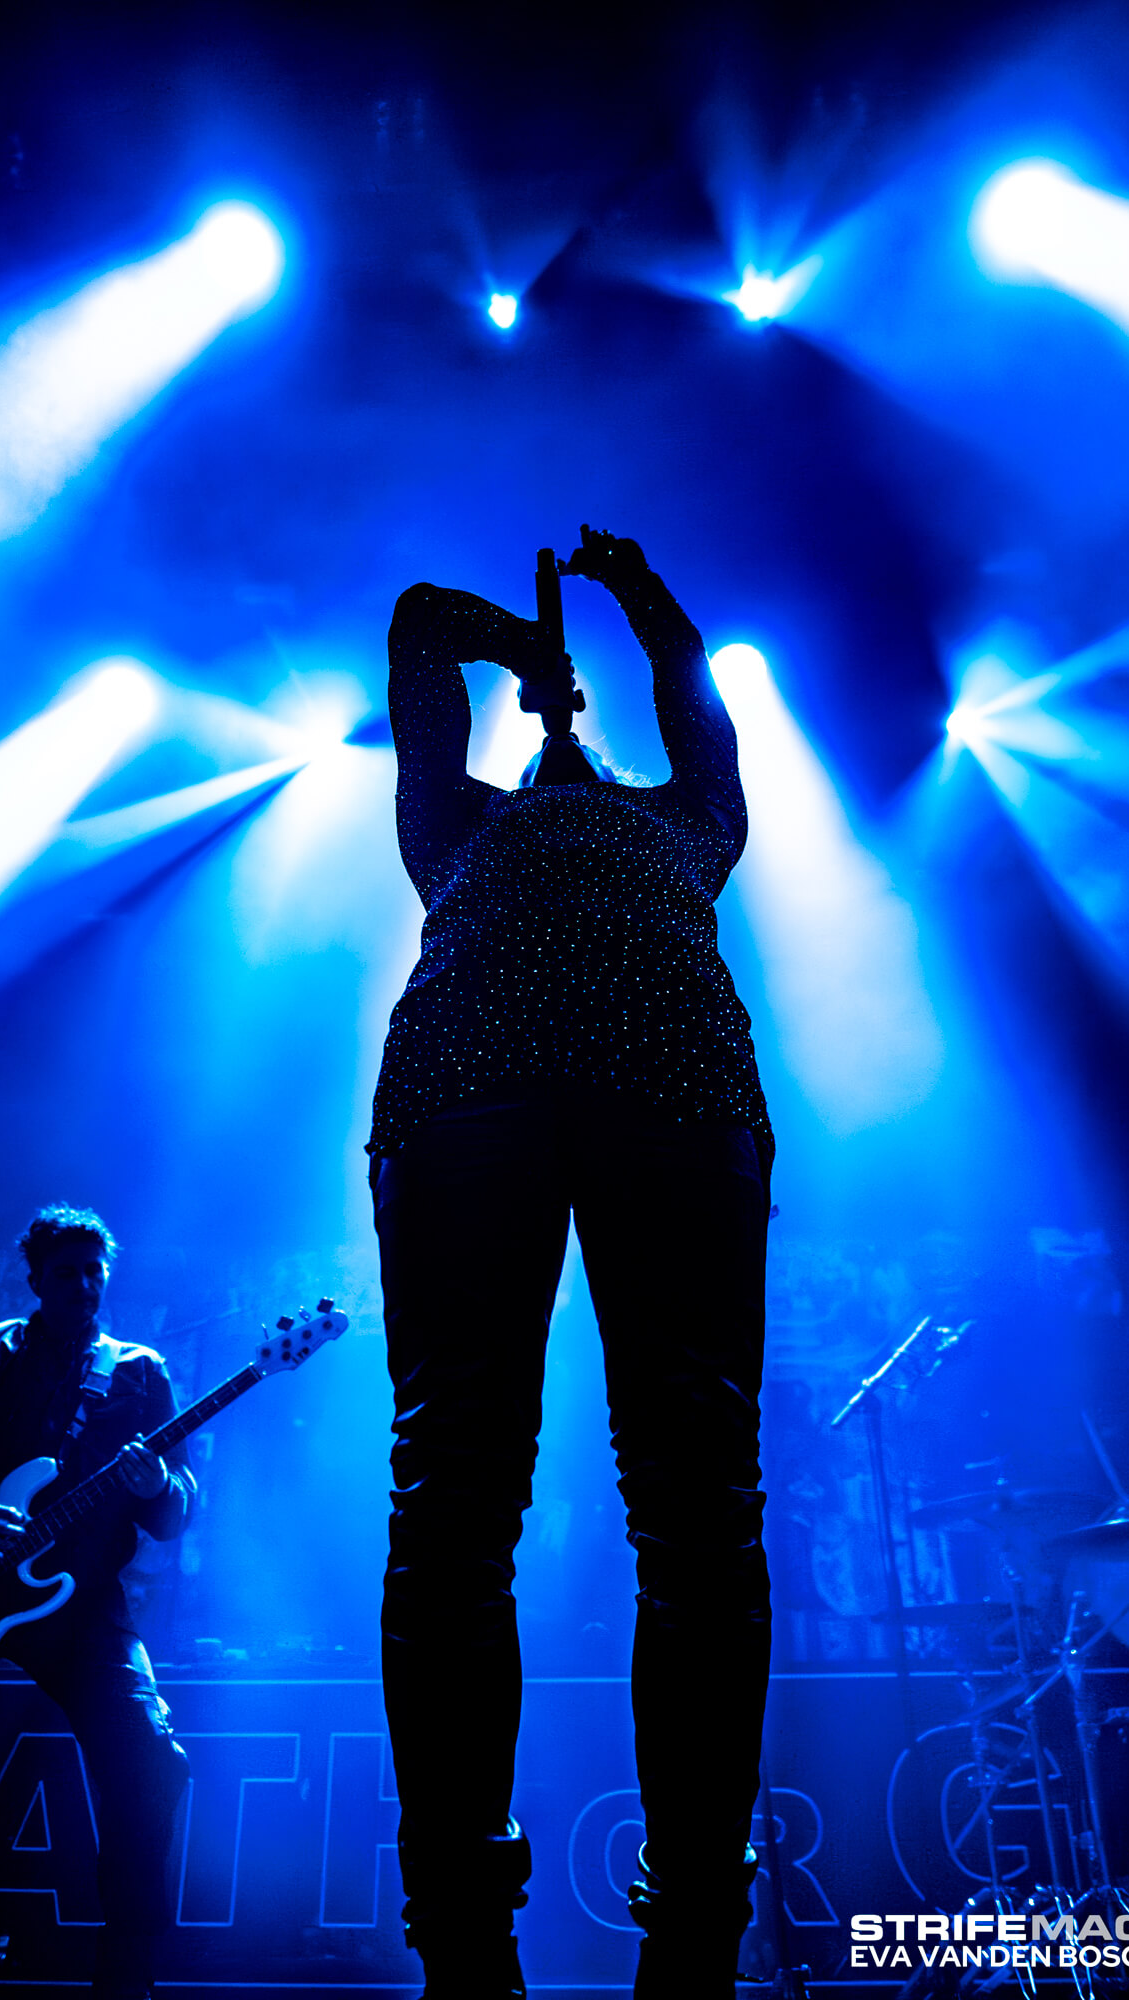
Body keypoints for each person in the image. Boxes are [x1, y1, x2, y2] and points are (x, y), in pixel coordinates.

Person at [369, 527, 774, 1999]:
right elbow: (421, 627)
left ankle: (694, 1938)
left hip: (654, 1097)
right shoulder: (452, 825)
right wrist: (533, 652)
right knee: (456, 1500)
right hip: (489, 1097)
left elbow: (695, 695)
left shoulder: (687, 825)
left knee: (700, 1509)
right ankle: (465, 1935)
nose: (562, 761)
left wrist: (645, 597)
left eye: (575, 748)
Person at [0, 1204, 195, 2000]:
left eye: (97, 1272)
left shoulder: (140, 1373)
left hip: (82, 1609)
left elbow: (178, 1506)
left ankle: (127, 1966)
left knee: (150, 1759)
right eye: (69, 1272)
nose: (86, 1286)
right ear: (35, 1278)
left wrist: (159, 1484)